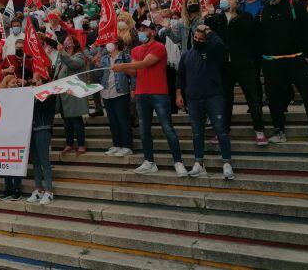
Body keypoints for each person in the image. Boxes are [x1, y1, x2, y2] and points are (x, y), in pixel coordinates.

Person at [112, 20, 186, 177]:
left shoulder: (159, 47)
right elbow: (134, 71)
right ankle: (149, 161)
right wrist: (120, 67)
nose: (141, 31)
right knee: (144, 130)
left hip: (159, 92)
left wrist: (122, 67)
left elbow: (145, 63)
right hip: (141, 93)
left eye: (144, 29)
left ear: (152, 31)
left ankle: (178, 162)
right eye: (139, 29)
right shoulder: (136, 50)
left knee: (168, 128)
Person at [259, 0, 308, 144]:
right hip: (274, 62)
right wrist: (265, 57)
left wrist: (306, 55)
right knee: (274, 98)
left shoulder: (294, 5)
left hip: (297, 59)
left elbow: (307, 31)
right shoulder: (265, 10)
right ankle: (279, 131)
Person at [205, 0, 267, 145]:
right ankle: (224, 131)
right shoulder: (217, 19)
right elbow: (208, 30)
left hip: (245, 64)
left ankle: (259, 130)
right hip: (225, 67)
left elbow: (249, 33)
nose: (222, 1)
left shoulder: (245, 16)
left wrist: (234, 14)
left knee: (252, 98)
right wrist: (211, 14)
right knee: (225, 100)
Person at [176, 25, 235, 179]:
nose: (197, 40)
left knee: (221, 131)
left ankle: (227, 163)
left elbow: (220, 45)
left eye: (201, 39)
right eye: (195, 38)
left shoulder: (213, 51)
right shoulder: (186, 55)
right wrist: (178, 94)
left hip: (213, 96)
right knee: (196, 133)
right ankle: (198, 163)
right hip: (193, 99)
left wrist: (209, 31)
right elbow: (180, 76)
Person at [96, 41, 135, 157]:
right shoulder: (104, 58)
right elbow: (99, 75)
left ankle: (127, 146)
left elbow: (133, 74)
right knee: (112, 121)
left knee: (123, 120)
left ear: (117, 44)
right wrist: (97, 65)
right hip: (106, 93)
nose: (108, 45)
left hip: (121, 92)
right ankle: (116, 144)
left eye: (111, 42)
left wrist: (133, 88)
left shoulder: (125, 56)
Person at [55, 36, 89, 155]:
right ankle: (69, 144)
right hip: (63, 94)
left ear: (73, 44)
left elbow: (73, 64)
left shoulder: (79, 55)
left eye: (68, 40)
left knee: (76, 120)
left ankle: (81, 145)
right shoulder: (62, 57)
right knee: (67, 122)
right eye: (65, 40)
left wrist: (62, 53)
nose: (65, 42)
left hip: (73, 93)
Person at [26, 73, 57, 205]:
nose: (35, 82)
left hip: (43, 128)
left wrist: (35, 95)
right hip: (32, 130)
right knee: (36, 161)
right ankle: (38, 189)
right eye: (34, 79)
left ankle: (49, 191)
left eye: (37, 80)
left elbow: (43, 108)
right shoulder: (33, 94)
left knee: (44, 160)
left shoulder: (49, 94)